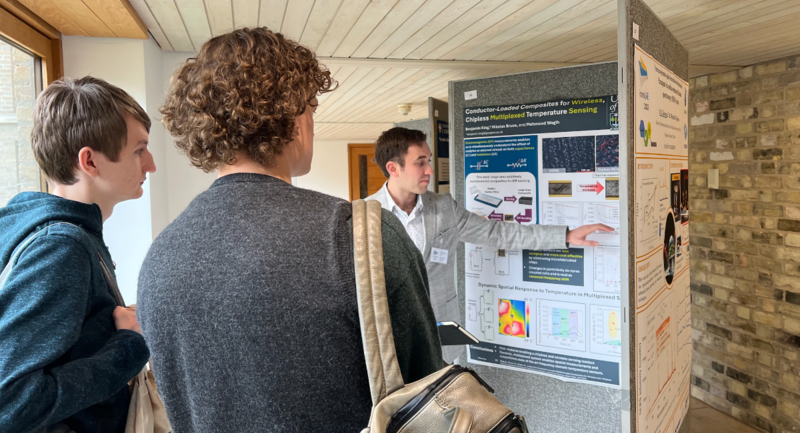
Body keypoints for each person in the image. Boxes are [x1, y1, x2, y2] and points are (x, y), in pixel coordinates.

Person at [137, 27, 442, 433]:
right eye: (311, 108)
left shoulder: (160, 258)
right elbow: (433, 400)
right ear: (294, 117)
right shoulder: (361, 238)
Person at [367, 127, 614, 362]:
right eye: (420, 162)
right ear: (393, 168)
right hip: (392, 340)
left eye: (429, 161)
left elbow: (498, 233)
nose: (430, 170)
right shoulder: (364, 218)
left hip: (440, 333)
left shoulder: (443, 207)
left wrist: (565, 236)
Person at [0, 77, 155, 432]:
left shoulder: (48, 231)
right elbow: (9, 402)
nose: (150, 164)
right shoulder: (61, 247)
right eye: (139, 150)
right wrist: (129, 347)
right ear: (90, 161)